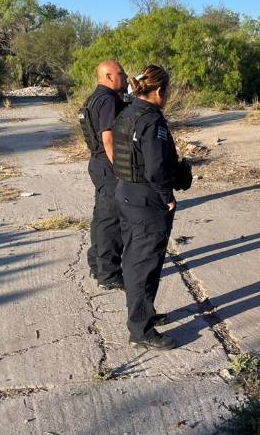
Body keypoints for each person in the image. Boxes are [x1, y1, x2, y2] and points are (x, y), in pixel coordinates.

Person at [111, 65, 191, 350]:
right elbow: (156, 168)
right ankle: (141, 331)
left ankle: (144, 315)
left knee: (136, 261)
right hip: (146, 201)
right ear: (159, 90)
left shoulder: (127, 112)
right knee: (144, 264)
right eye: (167, 91)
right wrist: (167, 196)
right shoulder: (150, 120)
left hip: (126, 194)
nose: (167, 95)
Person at [79, 60, 128, 290]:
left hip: (97, 163)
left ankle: (96, 264)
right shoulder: (108, 100)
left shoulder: (94, 98)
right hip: (108, 166)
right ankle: (108, 274)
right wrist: (121, 169)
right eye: (121, 73)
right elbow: (108, 138)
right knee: (111, 222)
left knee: (101, 217)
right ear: (108, 76)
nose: (126, 77)